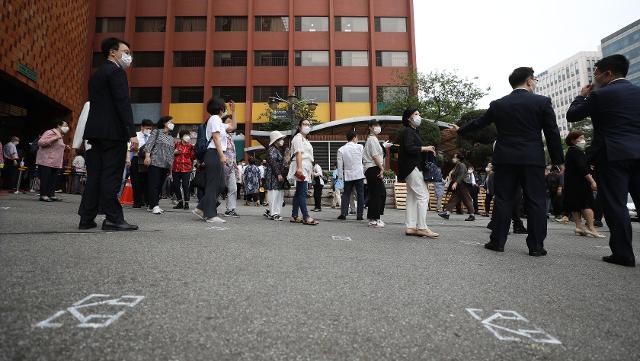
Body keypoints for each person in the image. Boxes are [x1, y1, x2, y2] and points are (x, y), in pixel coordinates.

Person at [446, 67, 564, 256]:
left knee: (503, 200)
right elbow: (552, 133)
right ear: (528, 81)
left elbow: (479, 122)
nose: (534, 83)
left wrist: (459, 130)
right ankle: (536, 246)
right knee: (536, 201)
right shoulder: (541, 102)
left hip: (505, 159)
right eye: (534, 80)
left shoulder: (499, 104)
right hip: (532, 158)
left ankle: (497, 241)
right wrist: (559, 160)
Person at [566, 54, 640, 267]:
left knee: (616, 204)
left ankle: (624, 254)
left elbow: (573, 115)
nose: (594, 76)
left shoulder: (601, 95)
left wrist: (582, 96)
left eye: (596, 72)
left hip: (612, 155)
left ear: (608, 73)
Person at [78, 37, 138, 231]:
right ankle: (113, 218)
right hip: (113, 134)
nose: (128, 56)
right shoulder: (116, 72)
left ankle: (86, 218)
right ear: (113, 52)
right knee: (110, 176)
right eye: (126, 52)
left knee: (94, 176)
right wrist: (132, 133)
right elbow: (122, 103)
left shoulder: (97, 75)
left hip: (95, 133)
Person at [397, 108, 439, 238]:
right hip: (412, 168)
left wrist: (425, 149)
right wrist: (425, 148)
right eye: (416, 114)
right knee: (423, 195)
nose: (419, 117)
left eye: (419, 114)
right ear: (409, 118)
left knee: (412, 196)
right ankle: (421, 227)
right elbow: (409, 148)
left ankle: (410, 226)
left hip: (409, 168)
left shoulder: (412, 131)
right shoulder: (408, 131)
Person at [562, 131, 605, 238]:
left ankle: (578, 227)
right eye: (580, 138)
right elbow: (583, 168)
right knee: (587, 204)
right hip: (580, 183)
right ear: (573, 140)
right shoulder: (577, 152)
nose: (583, 140)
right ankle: (591, 228)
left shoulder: (570, 152)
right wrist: (592, 181)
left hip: (571, 183)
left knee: (575, 205)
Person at [194, 97, 228, 223]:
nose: (225, 109)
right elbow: (215, 137)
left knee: (220, 185)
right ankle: (210, 215)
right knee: (213, 184)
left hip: (215, 153)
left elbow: (233, 126)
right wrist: (222, 155)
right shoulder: (214, 118)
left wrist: (234, 112)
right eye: (224, 107)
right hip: (214, 153)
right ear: (220, 108)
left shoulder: (218, 120)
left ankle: (201, 208)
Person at [287, 119, 319, 225]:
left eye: (309, 125)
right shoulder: (298, 138)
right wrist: (300, 168)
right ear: (300, 126)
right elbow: (298, 153)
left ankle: (294, 215)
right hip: (301, 165)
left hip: (305, 166)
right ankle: (306, 216)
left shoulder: (305, 139)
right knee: (303, 192)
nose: (307, 126)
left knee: (299, 192)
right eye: (305, 124)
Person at [143, 116, 176, 214]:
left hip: (166, 165)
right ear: (164, 123)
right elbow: (149, 144)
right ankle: (155, 205)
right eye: (170, 122)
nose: (172, 124)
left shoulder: (171, 137)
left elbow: (171, 152)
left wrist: (170, 167)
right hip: (155, 162)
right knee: (154, 184)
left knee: (160, 185)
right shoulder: (156, 132)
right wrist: (147, 156)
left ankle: (152, 204)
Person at [36, 120, 70, 202]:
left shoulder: (60, 135)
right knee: (46, 178)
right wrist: (55, 138)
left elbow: (56, 146)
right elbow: (40, 142)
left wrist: (65, 146)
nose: (67, 127)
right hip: (46, 161)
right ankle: (43, 195)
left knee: (53, 179)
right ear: (59, 126)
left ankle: (51, 194)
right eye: (65, 125)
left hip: (55, 162)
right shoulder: (50, 132)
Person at [337, 129, 365, 221]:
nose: (357, 139)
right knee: (360, 194)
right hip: (359, 174)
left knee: (346, 194)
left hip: (348, 175)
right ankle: (359, 215)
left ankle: (343, 213)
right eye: (357, 137)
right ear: (354, 138)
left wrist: (340, 177)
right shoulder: (360, 147)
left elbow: (340, 165)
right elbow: (364, 160)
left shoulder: (341, 149)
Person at [363, 119, 387, 227]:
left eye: (378, 125)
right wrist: (381, 168)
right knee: (378, 193)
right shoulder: (372, 139)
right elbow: (375, 156)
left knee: (377, 193)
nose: (378, 127)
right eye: (375, 125)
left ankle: (374, 218)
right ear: (370, 127)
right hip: (373, 168)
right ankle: (374, 219)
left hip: (372, 168)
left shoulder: (373, 139)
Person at [439, 153, 476, 221]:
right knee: (454, 198)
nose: (453, 158)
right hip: (459, 185)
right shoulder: (457, 165)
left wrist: (455, 183)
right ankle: (447, 213)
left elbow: (461, 175)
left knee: (467, 199)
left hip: (462, 185)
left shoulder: (461, 165)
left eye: (454, 157)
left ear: (458, 159)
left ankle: (472, 214)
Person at [129, 119, 154, 208]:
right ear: (142, 127)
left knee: (147, 181)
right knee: (136, 181)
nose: (149, 130)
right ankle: (137, 201)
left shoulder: (152, 136)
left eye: (150, 128)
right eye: (147, 128)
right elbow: (129, 148)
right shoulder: (135, 135)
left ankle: (147, 201)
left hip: (148, 160)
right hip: (136, 159)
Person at [265, 130, 287, 221]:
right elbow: (273, 163)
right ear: (276, 140)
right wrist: (278, 174)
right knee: (274, 194)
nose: (282, 140)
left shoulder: (276, 150)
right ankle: (273, 213)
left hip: (276, 175)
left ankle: (275, 213)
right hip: (273, 176)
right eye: (280, 139)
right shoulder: (272, 150)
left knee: (278, 194)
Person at [222, 107, 240, 218]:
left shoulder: (230, 136)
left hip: (231, 166)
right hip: (222, 165)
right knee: (218, 187)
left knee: (233, 187)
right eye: (228, 122)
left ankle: (230, 209)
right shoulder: (220, 135)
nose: (230, 125)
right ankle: (208, 207)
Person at [172, 129, 195, 210]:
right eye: (185, 135)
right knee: (176, 185)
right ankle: (180, 201)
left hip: (186, 168)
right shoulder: (176, 144)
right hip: (176, 168)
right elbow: (170, 154)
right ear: (181, 137)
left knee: (185, 185)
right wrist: (174, 152)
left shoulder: (191, 146)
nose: (187, 137)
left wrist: (194, 150)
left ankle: (187, 202)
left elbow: (193, 157)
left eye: (188, 135)